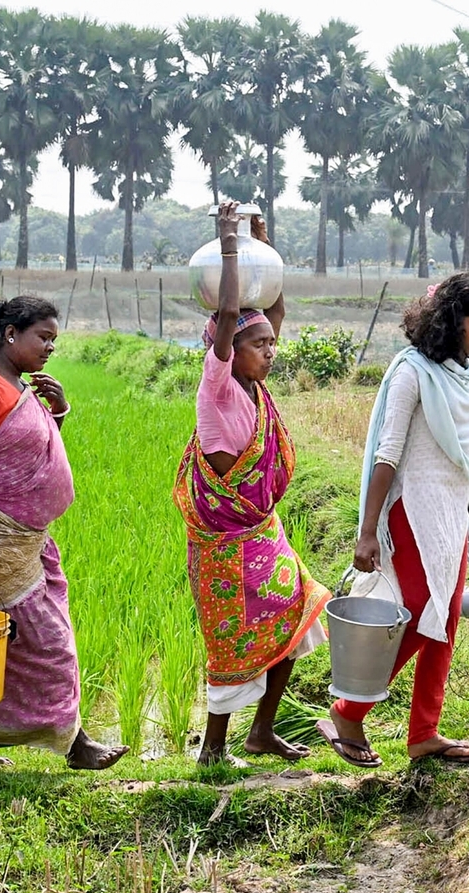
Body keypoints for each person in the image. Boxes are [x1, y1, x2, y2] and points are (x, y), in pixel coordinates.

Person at [0, 295, 128, 770]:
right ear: (10, 334)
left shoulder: (17, 387)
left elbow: (26, 455)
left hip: (23, 541)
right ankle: (76, 746)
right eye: (43, 337)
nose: (50, 348)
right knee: (49, 644)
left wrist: (57, 413)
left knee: (3, 643)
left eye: (54, 340)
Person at [316, 273, 469, 768]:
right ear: (450, 319)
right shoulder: (411, 372)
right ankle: (348, 709)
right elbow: (388, 452)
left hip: (451, 513)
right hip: (411, 511)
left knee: (443, 623)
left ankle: (424, 732)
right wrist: (367, 528)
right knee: (424, 613)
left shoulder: (465, 373)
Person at [175, 201, 329, 765]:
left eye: (270, 344)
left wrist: (267, 241)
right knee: (232, 641)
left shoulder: (252, 389)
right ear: (227, 347)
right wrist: (229, 241)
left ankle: (261, 731)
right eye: (259, 345)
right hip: (222, 546)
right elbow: (234, 309)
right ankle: (212, 749)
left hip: (262, 534)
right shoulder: (217, 388)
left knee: (299, 615)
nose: (270, 351)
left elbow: (271, 309)